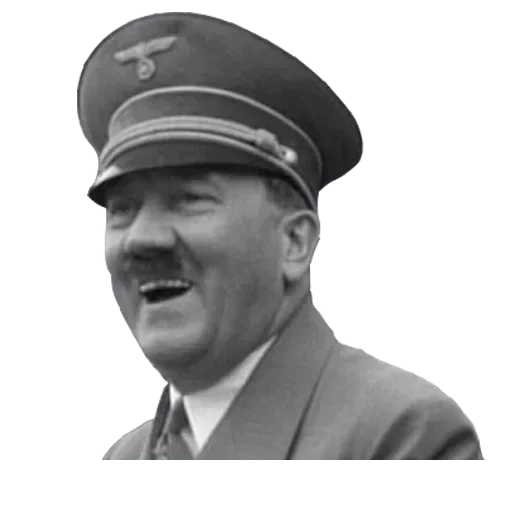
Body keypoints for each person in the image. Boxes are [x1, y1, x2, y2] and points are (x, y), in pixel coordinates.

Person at [77, 12, 483, 460]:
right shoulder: (123, 457)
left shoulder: (399, 436)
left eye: (188, 199)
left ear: (294, 243)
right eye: (123, 209)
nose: (141, 239)